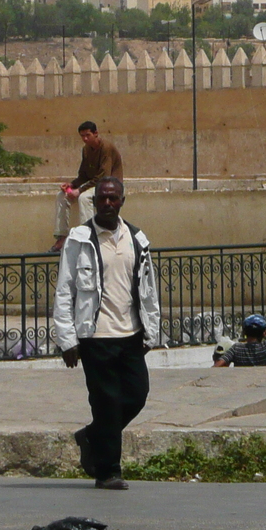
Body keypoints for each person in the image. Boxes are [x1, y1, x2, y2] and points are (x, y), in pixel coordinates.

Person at [53, 176, 161, 490]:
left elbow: (148, 289)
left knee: (137, 395)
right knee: (107, 402)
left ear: (122, 201)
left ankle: (92, 436)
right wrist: (67, 339)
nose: (108, 203)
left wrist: (150, 332)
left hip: (130, 335)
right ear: (95, 201)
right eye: (102, 198)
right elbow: (64, 290)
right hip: (94, 336)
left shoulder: (137, 239)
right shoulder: (79, 238)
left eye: (114, 198)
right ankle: (108, 471)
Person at [52, 121, 124, 252]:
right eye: (82, 136)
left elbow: (103, 177)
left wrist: (79, 190)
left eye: (87, 135)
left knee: (84, 198)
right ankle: (61, 237)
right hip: (95, 184)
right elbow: (84, 175)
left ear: (96, 134)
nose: (85, 139)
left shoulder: (106, 148)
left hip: (109, 186)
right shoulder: (85, 150)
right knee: (62, 196)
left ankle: (89, 237)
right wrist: (72, 185)